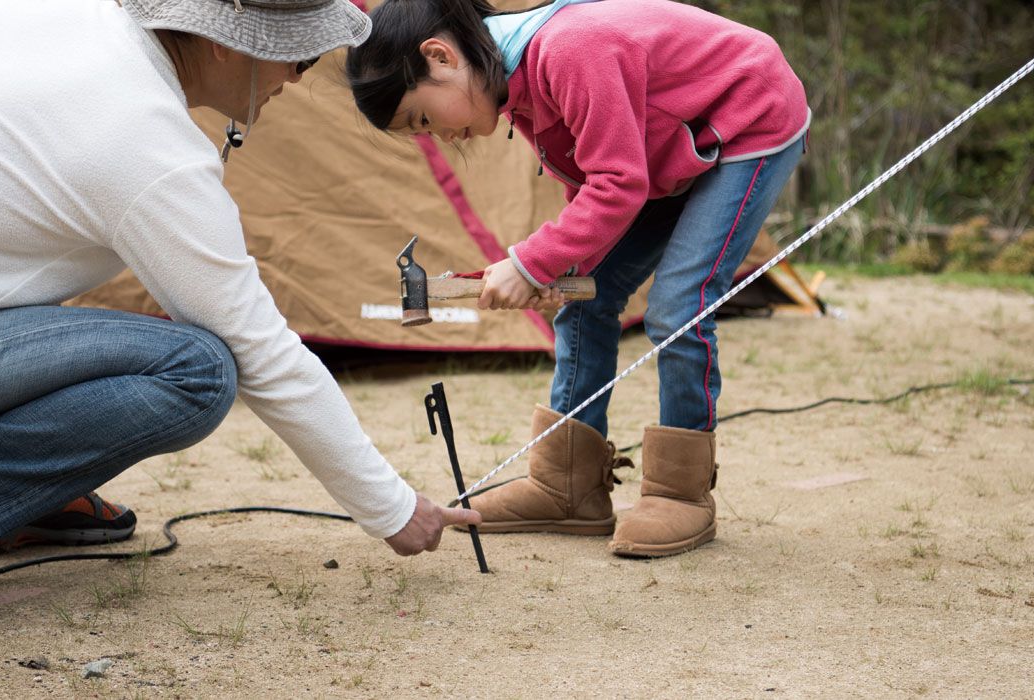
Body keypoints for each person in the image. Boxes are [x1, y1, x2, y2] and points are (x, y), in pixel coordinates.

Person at [0, 0, 479, 630]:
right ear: (221, 44)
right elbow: (263, 353)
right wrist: (390, 509)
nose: (300, 78)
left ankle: (12, 496)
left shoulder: (56, 14)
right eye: (295, 56)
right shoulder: (145, 143)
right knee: (199, 371)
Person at [346, 0, 808, 557]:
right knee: (587, 298)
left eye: (424, 118)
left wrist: (531, 261)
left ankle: (682, 494)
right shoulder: (514, 85)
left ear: (440, 57)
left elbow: (617, 183)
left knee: (680, 306)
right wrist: (567, 267)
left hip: (747, 118)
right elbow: (592, 178)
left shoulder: (570, 49)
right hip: (667, 148)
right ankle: (566, 485)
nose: (444, 137)